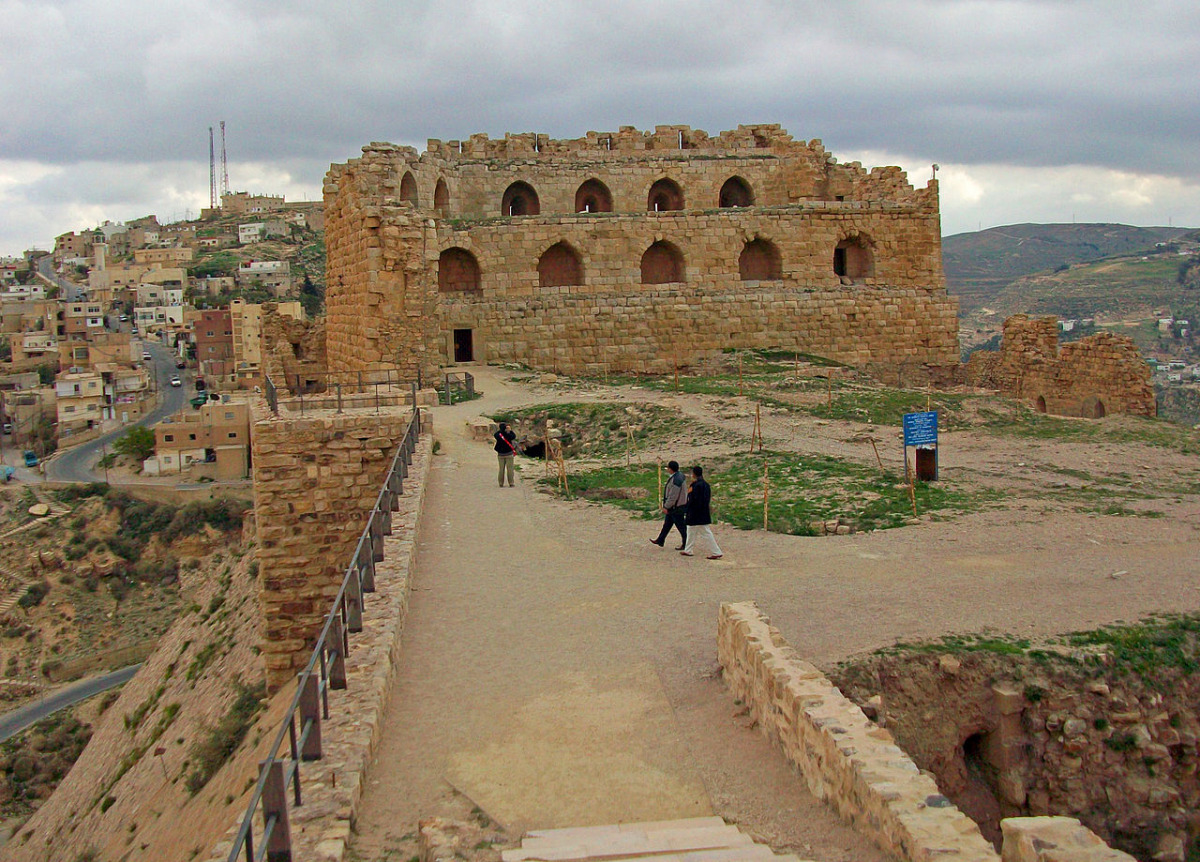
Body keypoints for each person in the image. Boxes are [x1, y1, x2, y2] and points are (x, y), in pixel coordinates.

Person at [680, 465, 722, 559]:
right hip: (703, 511)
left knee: (705, 532)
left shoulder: (695, 485)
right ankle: (688, 549)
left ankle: (716, 551)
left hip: (695, 513)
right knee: (691, 530)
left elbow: (691, 499)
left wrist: (687, 509)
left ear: (694, 474)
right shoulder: (706, 485)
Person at [650, 460, 688, 549]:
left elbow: (673, 496)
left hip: (676, 507)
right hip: (677, 506)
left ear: (671, 469)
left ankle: (686, 543)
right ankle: (660, 539)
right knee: (667, 524)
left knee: (681, 526)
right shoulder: (679, 476)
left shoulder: (676, 480)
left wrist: (666, 506)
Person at [494, 421, 518, 487]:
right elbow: (514, 436)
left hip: (500, 454)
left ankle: (501, 483)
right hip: (509, 454)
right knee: (510, 469)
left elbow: (495, 434)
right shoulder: (508, 434)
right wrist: (509, 430)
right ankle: (511, 483)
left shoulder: (498, 435)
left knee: (501, 469)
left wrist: (501, 430)